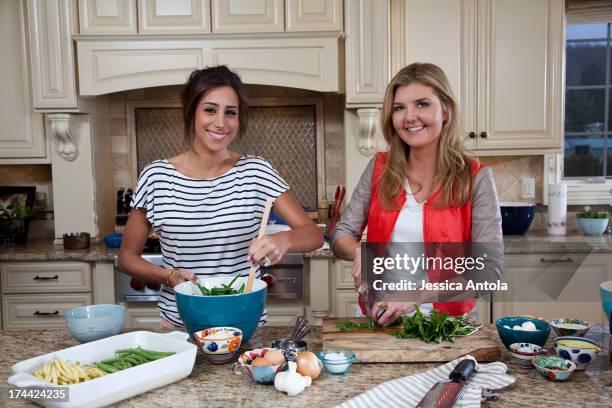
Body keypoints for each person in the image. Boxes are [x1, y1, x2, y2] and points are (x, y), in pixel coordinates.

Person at [118, 65, 323, 328]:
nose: (221, 123)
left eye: (231, 113)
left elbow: (313, 234)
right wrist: (168, 275)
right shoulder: (156, 177)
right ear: (191, 113)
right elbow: (127, 257)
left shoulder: (256, 171)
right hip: (181, 324)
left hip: (243, 322)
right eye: (210, 110)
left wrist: (284, 239)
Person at [331, 62, 502, 326]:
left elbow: (489, 271)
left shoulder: (475, 177)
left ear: (444, 110)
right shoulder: (379, 168)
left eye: (422, 104)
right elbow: (341, 233)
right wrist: (359, 251)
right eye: (400, 108)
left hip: (446, 326)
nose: (409, 116)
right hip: (380, 319)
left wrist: (414, 296)